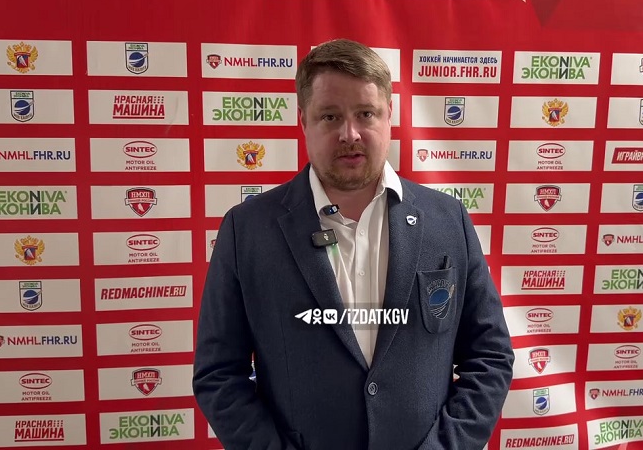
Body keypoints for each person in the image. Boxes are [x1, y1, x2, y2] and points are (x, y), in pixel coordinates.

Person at [193, 38, 514, 450]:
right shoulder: (247, 230)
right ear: (303, 121)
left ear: (389, 115)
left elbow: (490, 356)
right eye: (330, 116)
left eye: (366, 113)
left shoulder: (448, 219)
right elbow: (218, 374)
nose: (350, 134)